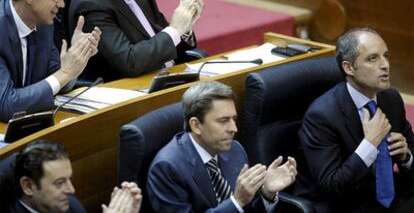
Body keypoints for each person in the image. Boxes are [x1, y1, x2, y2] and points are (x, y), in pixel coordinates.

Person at [299, 27, 414, 213]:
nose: (385, 65)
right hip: (343, 205)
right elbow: (332, 188)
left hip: (384, 199)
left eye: (386, 56)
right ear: (348, 67)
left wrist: (406, 157)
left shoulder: (391, 99)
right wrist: (369, 144)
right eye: (372, 58)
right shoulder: (321, 116)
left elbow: (411, 152)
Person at [147, 81, 297, 212]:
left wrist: (267, 193)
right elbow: (239, 205)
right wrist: (236, 202)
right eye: (223, 120)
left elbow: (247, 209)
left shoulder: (235, 150)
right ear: (196, 125)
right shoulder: (167, 168)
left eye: (233, 119)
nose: (234, 128)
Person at [68, 0, 204, 82]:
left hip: (168, 76)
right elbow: (129, 62)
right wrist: (175, 29)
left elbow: (163, 37)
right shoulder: (91, 4)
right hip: (132, 91)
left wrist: (184, 27)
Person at [0, 0, 101, 122]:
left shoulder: (43, 23)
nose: (61, 4)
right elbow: (6, 105)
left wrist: (76, 57)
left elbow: (55, 79)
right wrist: (65, 72)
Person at [10, 140, 142, 213]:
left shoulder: (70, 205)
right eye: (59, 183)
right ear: (28, 186)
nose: (71, 190)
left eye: (69, 179)